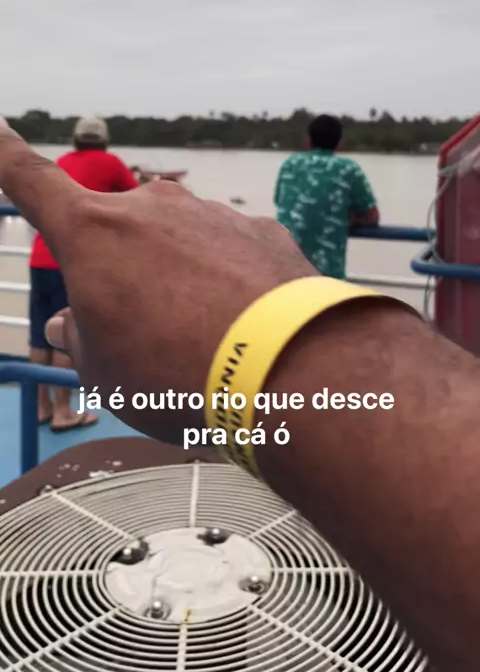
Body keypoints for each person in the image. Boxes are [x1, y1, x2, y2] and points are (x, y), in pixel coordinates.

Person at [0, 117, 478, 672]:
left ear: (305, 142)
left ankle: (48, 409)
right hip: (311, 279)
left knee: (46, 341)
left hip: (80, 267)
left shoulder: (291, 165)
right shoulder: (345, 170)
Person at [29, 116, 138, 431]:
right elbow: (136, 202)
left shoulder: (61, 162)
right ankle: (63, 411)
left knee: (40, 337)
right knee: (66, 334)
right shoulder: (110, 164)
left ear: (75, 139)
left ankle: (42, 407)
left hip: (40, 257)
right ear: (104, 140)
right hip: (71, 262)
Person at [274, 114, 379, 278]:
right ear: (340, 142)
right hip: (327, 278)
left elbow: (279, 201)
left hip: (284, 275)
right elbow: (371, 217)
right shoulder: (348, 169)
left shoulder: (290, 164)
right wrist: (346, 217)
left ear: (308, 139)